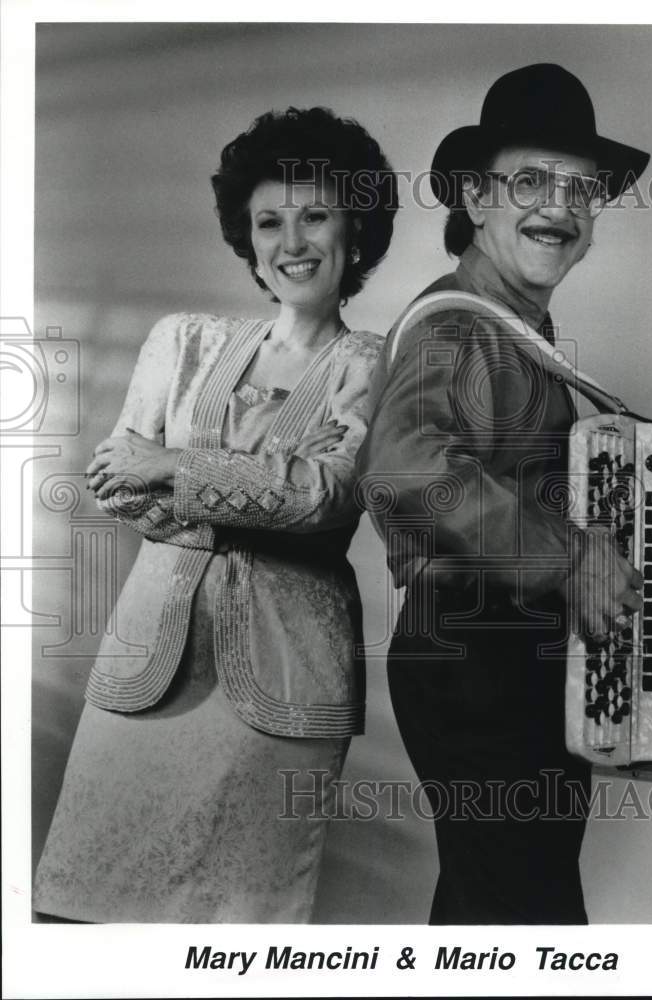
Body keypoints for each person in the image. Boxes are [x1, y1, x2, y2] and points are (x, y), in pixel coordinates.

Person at [33, 106, 397, 923]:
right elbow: (114, 483)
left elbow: (325, 495)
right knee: (81, 920)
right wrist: (248, 494)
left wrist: (176, 467)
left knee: (242, 937)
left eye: (315, 216)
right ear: (247, 236)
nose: (291, 241)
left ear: (357, 233)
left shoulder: (377, 366)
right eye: (269, 220)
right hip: (144, 671)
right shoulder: (181, 341)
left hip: (284, 684)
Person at [357, 64, 648, 924]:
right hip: (474, 651)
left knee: (497, 908)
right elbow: (405, 466)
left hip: (506, 654)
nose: (556, 207)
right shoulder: (455, 323)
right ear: (477, 201)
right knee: (528, 916)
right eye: (529, 181)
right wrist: (569, 554)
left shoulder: (518, 328)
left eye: (578, 190)